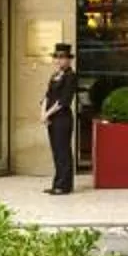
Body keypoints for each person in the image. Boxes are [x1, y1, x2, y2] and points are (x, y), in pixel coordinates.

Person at [42, 45, 77, 193]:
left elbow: (63, 101)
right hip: (52, 118)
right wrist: (42, 113)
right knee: (56, 151)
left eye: (62, 57)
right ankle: (57, 183)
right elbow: (47, 95)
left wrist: (47, 114)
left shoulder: (71, 76)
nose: (58, 60)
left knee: (63, 151)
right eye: (56, 57)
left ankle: (64, 185)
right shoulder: (55, 75)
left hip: (62, 118)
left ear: (69, 60)